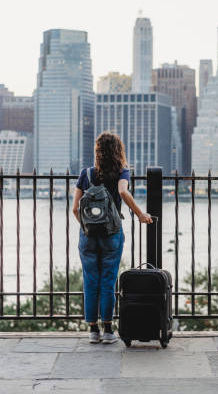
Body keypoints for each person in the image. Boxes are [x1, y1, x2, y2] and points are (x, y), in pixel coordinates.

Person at [72, 132, 152, 344]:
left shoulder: (86, 174)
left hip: (87, 236)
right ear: (118, 151)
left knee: (90, 280)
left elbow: (74, 209)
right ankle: (108, 330)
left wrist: (87, 228)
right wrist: (140, 214)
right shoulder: (122, 171)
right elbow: (123, 192)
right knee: (108, 280)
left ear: (97, 151)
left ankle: (92, 330)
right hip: (112, 234)